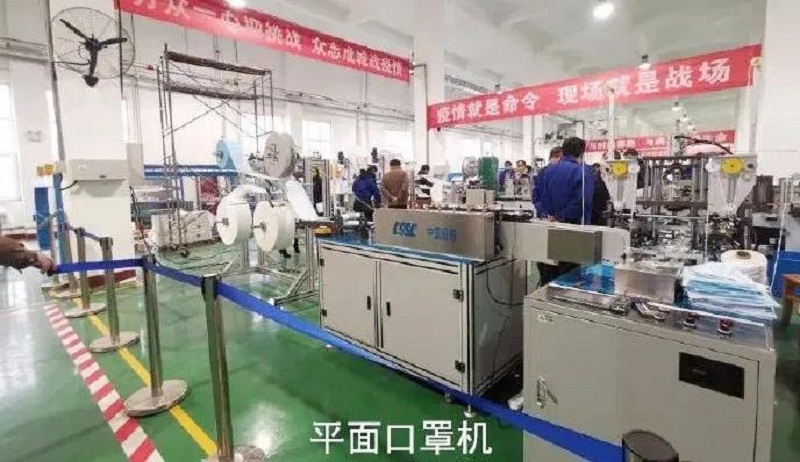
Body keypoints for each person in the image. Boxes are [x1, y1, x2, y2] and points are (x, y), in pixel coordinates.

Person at [533, 137, 595, 285]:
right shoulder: (583, 171)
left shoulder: (545, 171)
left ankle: (543, 298)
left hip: (547, 228)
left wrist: (547, 215)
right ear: (582, 152)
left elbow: (536, 197)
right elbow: (582, 202)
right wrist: (561, 217)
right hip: (572, 231)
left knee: (548, 272)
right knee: (568, 278)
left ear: (563, 150)